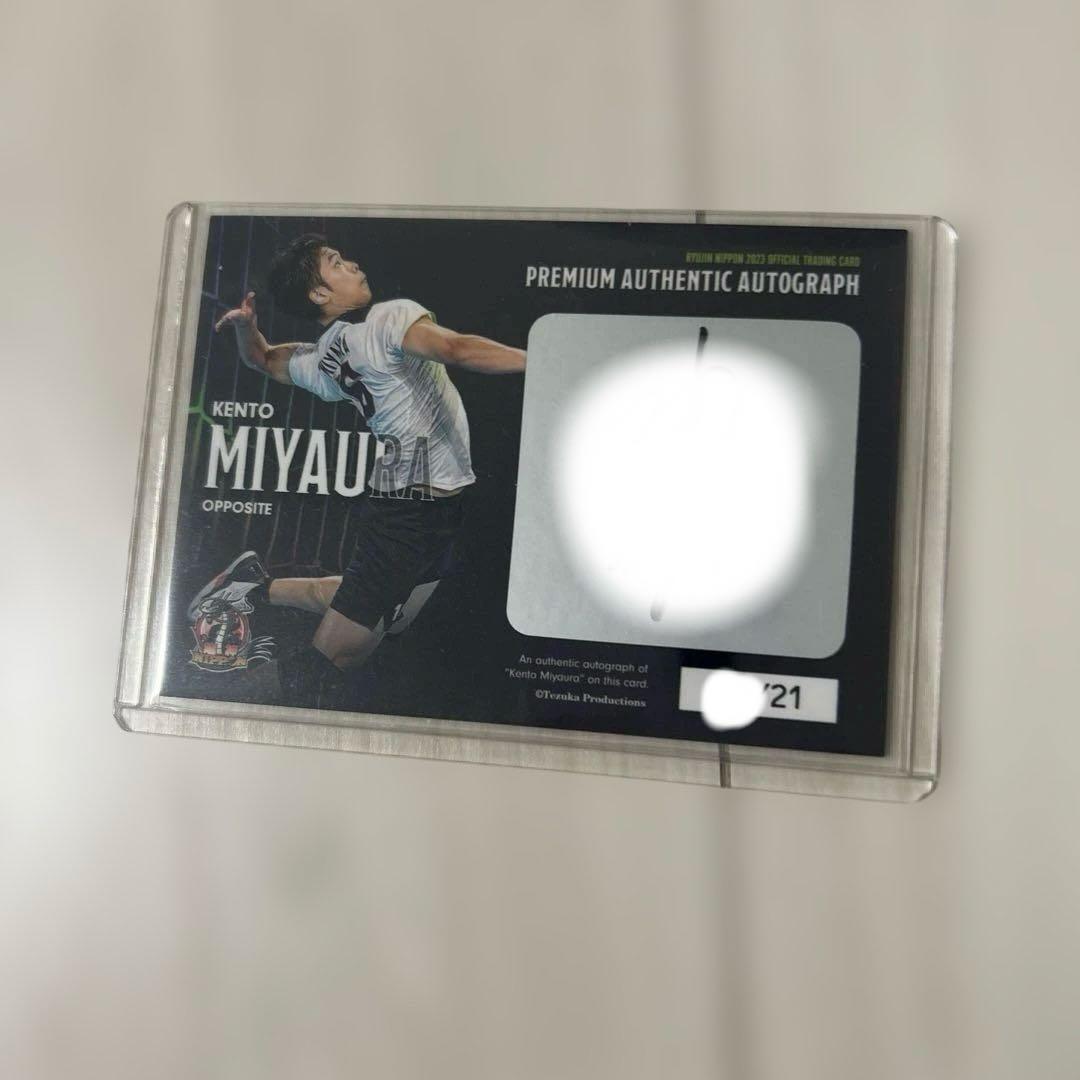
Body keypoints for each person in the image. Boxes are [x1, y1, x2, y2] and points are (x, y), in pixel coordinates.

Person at [190, 233, 525, 706]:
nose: (353, 265)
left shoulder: (324, 357)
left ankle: (253, 587)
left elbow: (262, 359)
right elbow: (457, 349)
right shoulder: (388, 319)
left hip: (436, 506)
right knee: (336, 659)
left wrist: (248, 328)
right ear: (319, 293)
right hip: (408, 513)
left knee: (386, 611)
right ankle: (206, 694)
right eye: (337, 263)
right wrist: (543, 361)